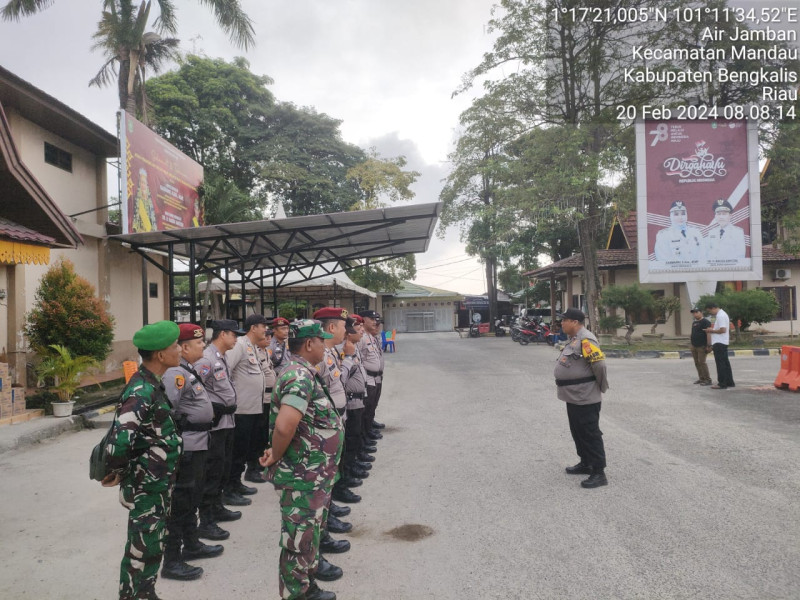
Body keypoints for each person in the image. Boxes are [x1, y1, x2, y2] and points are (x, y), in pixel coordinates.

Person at [260, 319, 344, 600]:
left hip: (314, 475)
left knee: (310, 536)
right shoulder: (298, 376)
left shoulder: (303, 372)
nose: (324, 345)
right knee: (299, 539)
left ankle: (308, 585)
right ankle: (297, 594)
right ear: (309, 344)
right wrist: (277, 456)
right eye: (321, 340)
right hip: (302, 476)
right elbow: (285, 426)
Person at [102, 320, 182, 600]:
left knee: (151, 544)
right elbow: (118, 442)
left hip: (156, 482)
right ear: (160, 355)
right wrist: (122, 472)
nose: (180, 349)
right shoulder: (141, 391)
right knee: (141, 548)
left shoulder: (152, 384)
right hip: (146, 485)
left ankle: (145, 593)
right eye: (175, 346)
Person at [161, 323, 222, 582]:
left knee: (192, 498)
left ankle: (192, 544)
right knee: (181, 503)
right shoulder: (174, 373)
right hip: (187, 446)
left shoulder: (186, 369)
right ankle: (172, 560)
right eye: (199, 343)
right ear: (185, 348)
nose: (203, 347)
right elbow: (166, 411)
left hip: (199, 443)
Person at [194, 319, 246, 541]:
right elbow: (195, 389)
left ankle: (217, 507)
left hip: (227, 423)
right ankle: (206, 521)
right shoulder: (206, 360)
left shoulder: (220, 357)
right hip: (215, 426)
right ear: (223, 334)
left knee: (222, 468)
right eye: (234, 334)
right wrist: (211, 407)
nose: (236, 338)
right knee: (212, 472)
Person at [553, 308, 610, 489]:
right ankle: (586, 463)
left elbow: (599, 365)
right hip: (574, 395)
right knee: (578, 432)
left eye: (564, 320)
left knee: (590, 434)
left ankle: (599, 472)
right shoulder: (575, 339)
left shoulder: (586, 340)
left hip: (585, 396)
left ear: (575, 322)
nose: (561, 323)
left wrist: (599, 387)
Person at [225, 314, 268, 498]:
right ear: (253, 328)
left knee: (248, 448)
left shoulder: (253, 347)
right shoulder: (240, 344)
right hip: (242, 409)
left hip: (254, 408)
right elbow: (226, 369)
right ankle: (231, 487)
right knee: (237, 451)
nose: (265, 330)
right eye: (263, 326)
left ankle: (239, 481)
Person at [252, 324, 277, 483]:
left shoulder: (265, 352)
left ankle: (261, 462)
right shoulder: (252, 351)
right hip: (260, 399)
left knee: (264, 433)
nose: (268, 339)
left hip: (268, 397)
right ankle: (254, 466)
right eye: (265, 336)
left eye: (270, 336)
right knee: (258, 433)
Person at [705, 301, 735, 389]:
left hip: (719, 342)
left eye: (710, 311)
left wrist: (711, 331)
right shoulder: (723, 314)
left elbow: (723, 330)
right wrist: (713, 329)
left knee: (720, 364)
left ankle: (722, 383)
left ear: (713, 308)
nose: (710, 313)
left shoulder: (720, 315)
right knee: (725, 363)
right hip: (723, 341)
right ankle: (729, 382)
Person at [689, 308, 713, 386]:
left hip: (702, 346)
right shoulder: (694, 323)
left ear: (701, 313)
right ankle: (701, 378)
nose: (695, 314)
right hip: (694, 345)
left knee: (702, 362)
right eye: (693, 313)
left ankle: (708, 379)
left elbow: (708, 333)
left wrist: (709, 345)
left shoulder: (706, 322)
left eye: (696, 312)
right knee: (697, 363)